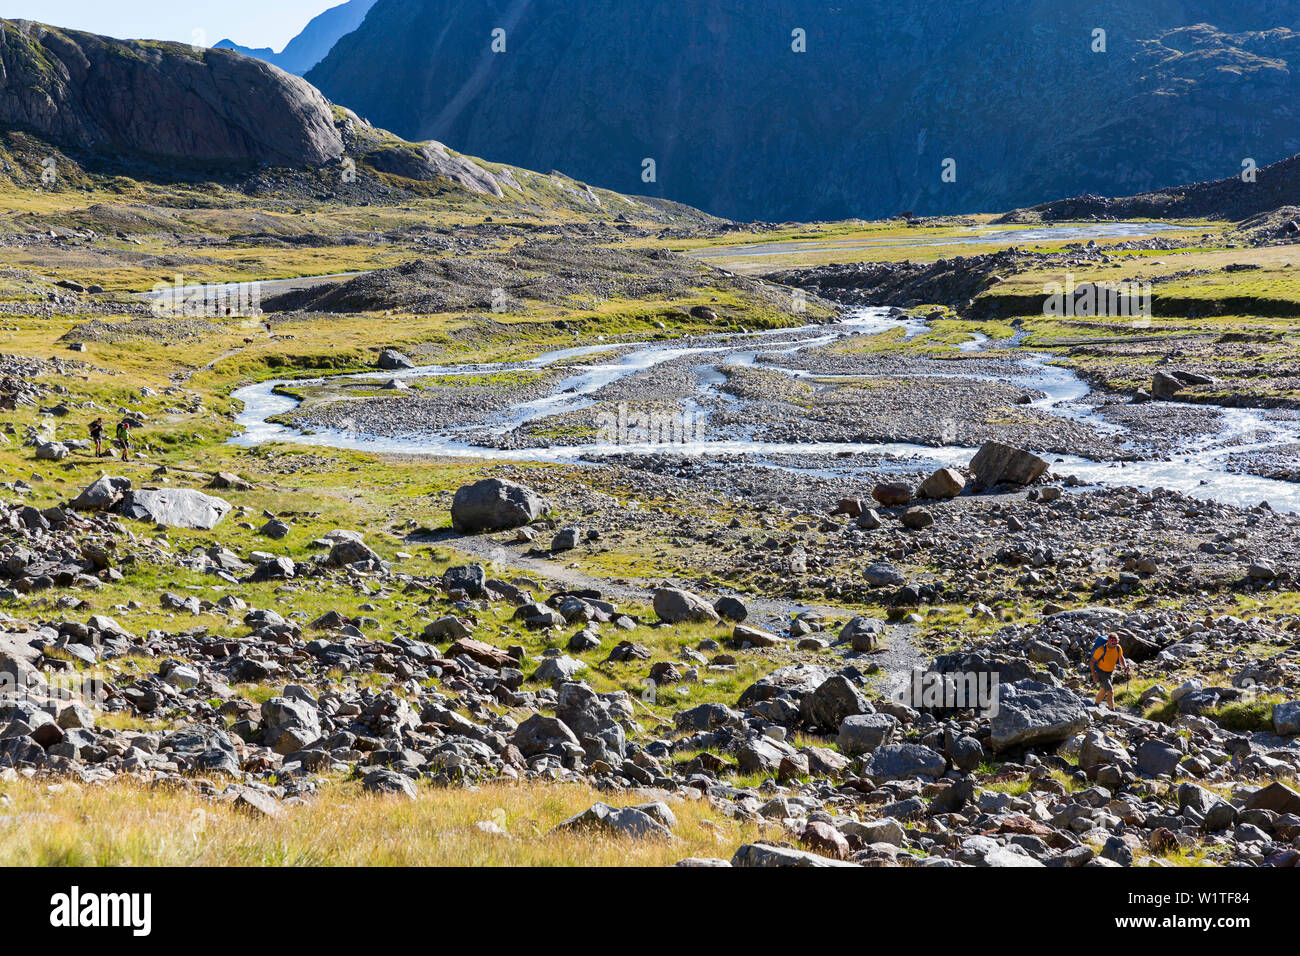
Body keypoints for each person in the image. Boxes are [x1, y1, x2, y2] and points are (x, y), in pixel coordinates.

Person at [1091, 633, 1130, 710]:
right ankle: (1112, 710)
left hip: (1110, 672)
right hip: (1101, 672)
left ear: (1118, 641)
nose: (1114, 643)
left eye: (1116, 641)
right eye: (1112, 641)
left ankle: (1096, 704)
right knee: (1110, 691)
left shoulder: (1118, 648)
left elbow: (1121, 657)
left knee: (1103, 690)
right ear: (1108, 640)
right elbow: (1092, 661)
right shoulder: (1101, 649)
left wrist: (1125, 666)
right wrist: (1094, 675)